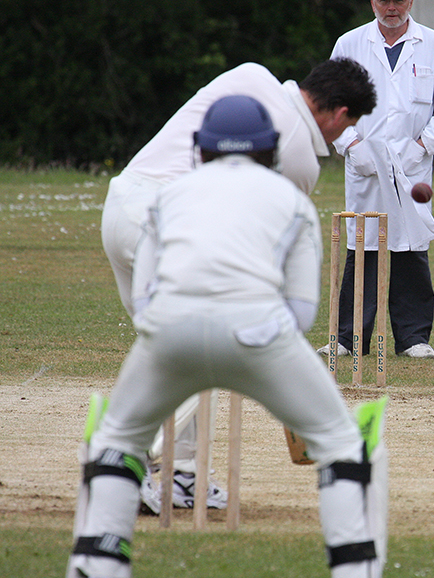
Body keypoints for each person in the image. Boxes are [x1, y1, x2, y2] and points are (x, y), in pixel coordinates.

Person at [67, 96, 389, 578]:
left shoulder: (167, 196)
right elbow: (301, 313)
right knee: (345, 443)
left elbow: (146, 299)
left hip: (168, 334)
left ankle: (94, 566)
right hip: (261, 334)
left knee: (116, 440)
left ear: (202, 149)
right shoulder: (294, 201)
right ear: (271, 150)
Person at [100, 58, 376, 513]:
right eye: (348, 126)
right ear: (341, 114)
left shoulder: (249, 75)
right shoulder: (301, 162)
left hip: (123, 204)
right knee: (203, 344)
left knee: (176, 349)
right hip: (169, 227)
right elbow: (258, 241)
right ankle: (128, 457)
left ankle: (180, 477)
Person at [321, 0, 434, 360]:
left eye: (398, 0)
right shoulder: (350, 44)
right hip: (366, 163)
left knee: (410, 245)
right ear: (372, 2)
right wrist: (351, 144)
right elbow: (328, 100)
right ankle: (348, 338)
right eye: (384, 0)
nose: (391, 7)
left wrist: (425, 146)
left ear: (411, 2)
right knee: (362, 243)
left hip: (411, 164)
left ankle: (414, 337)